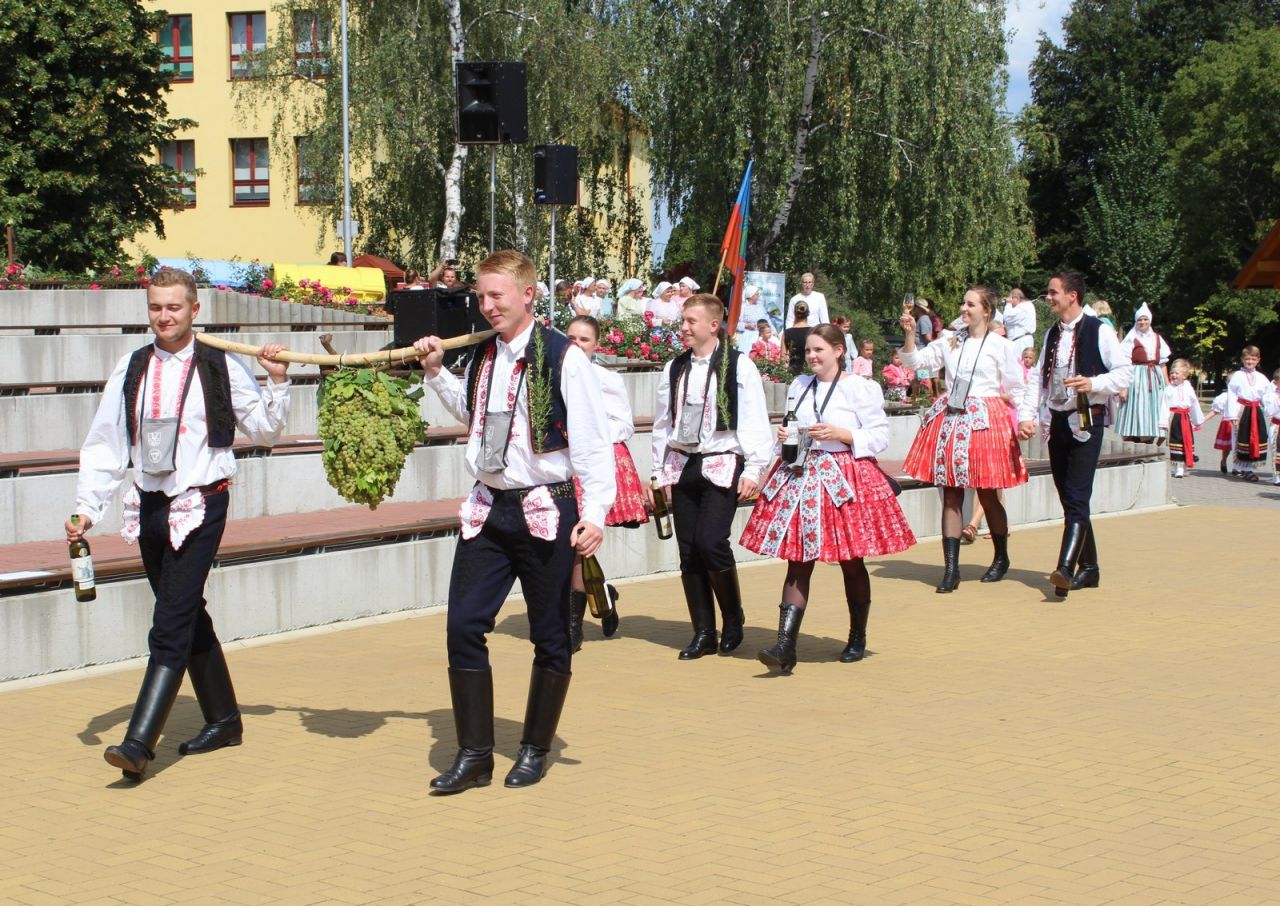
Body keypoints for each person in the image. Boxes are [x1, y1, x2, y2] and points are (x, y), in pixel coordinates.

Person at [67, 267, 292, 781]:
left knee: (169, 621)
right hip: (149, 503)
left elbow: (263, 431)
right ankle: (224, 719)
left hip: (201, 503)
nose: (164, 316)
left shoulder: (220, 363)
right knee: (187, 611)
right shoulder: (132, 366)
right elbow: (105, 443)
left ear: (195, 309)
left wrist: (277, 381)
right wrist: (87, 508)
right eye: (155, 307)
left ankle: (138, 744)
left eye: (173, 307)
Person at [411, 250, 615, 793]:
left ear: (528, 294)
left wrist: (594, 514)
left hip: (546, 506)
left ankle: (534, 749)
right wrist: (436, 373)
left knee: (550, 634)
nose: (487, 305)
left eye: (496, 295)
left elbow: (593, 443)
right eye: (481, 295)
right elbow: (475, 416)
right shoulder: (483, 353)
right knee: (463, 625)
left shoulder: (564, 357)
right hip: (489, 507)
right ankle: (475, 754)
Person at [739, 326, 916, 673]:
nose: (811, 356)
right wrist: (785, 435)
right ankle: (785, 646)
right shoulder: (799, 385)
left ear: (838, 350)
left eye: (818, 350)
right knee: (798, 559)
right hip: (801, 474)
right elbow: (792, 428)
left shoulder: (860, 387)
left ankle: (857, 636)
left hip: (844, 476)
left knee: (851, 560)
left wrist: (842, 433)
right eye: (808, 350)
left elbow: (880, 435)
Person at [648, 294, 772, 660]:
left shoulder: (738, 365)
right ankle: (703, 631)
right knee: (688, 550)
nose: (684, 327)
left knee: (710, 541)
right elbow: (662, 424)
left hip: (722, 461)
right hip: (683, 463)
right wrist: (657, 471)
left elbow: (754, 417)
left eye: (691, 321)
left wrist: (754, 468)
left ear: (713, 325)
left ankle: (732, 617)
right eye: (683, 320)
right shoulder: (675, 367)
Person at [901, 286, 1035, 592]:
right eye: (963, 302)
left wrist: (1024, 419)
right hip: (952, 417)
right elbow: (915, 362)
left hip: (985, 419)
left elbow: (1017, 388)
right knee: (951, 493)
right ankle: (951, 569)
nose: (963, 308)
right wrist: (909, 334)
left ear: (986, 310)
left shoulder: (1002, 345)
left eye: (970, 304)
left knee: (987, 493)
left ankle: (1001, 556)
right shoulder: (951, 339)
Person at [1034, 272, 1132, 598]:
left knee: (1077, 496)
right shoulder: (1052, 333)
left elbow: (1124, 374)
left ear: (1072, 295)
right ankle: (1089, 567)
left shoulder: (1098, 330)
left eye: (1053, 292)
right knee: (1069, 498)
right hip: (1058, 420)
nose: (1049, 298)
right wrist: (1031, 416)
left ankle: (1064, 568)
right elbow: (1039, 379)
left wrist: (1094, 383)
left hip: (1087, 420)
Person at [562, 316, 648, 647]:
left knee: (580, 543)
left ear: (596, 345)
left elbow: (624, 425)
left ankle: (573, 626)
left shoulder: (605, 378)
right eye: (571, 337)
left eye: (584, 339)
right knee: (566, 545)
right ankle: (603, 593)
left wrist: (587, 435)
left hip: (593, 464)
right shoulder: (552, 374)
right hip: (559, 464)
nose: (576, 344)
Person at [1115, 303, 1170, 444]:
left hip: (1155, 378)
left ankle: (1149, 439)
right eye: (1139, 319)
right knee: (1136, 409)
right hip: (1136, 379)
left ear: (1150, 320)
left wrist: (1167, 385)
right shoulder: (1131, 338)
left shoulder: (1157, 338)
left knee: (1154, 409)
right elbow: (1124, 364)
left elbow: (1162, 363)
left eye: (1145, 319)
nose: (1142, 322)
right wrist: (1123, 387)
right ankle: (1135, 439)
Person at [1227, 345, 1276, 482]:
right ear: (1242, 359)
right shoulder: (1237, 376)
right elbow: (1231, 395)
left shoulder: (1261, 377)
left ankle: (1249, 466)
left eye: (1253, 359)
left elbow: (1267, 396)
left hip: (1256, 410)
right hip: (1242, 409)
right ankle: (1243, 468)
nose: (1250, 362)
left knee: (1255, 437)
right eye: (1247, 359)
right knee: (1241, 437)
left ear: (1258, 360)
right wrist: (1232, 414)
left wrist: (1271, 411)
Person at [1159, 359, 1204, 478]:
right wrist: (1163, 422)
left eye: (1176, 373)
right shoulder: (1168, 389)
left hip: (1185, 418)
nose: (1173, 375)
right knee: (1175, 441)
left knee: (1186, 442)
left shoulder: (1188, 388)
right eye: (1172, 373)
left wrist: (1197, 420)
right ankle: (1177, 467)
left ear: (1184, 375)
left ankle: (1182, 467)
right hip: (1174, 418)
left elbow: (1194, 403)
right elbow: (1164, 405)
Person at [910, 299, 936, 396]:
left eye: (915, 306)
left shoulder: (923, 319)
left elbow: (927, 338)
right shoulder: (923, 319)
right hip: (921, 351)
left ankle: (927, 397)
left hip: (922, 352)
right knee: (919, 377)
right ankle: (915, 397)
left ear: (918, 308)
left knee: (924, 376)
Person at [735, 284, 769, 354]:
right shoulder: (743, 307)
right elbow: (736, 324)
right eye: (757, 294)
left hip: (762, 336)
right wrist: (746, 325)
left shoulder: (760, 306)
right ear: (751, 296)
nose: (758, 296)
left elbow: (768, 320)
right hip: (747, 337)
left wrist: (774, 333)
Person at [1002, 288, 1036, 355]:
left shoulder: (1023, 307)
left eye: (1011, 298)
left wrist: (1008, 304)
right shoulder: (1027, 306)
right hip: (1021, 340)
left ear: (1016, 298)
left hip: (1020, 341)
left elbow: (1008, 317)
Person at [784, 301, 813, 377]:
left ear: (794, 313)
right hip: (810, 372)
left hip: (793, 374)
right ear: (808, 313)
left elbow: (782, 358)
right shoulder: (814, 332)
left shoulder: (787, 333)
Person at [1210, 389, 1235, 474]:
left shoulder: (1244, 394)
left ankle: (1237, 466)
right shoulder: (1225, 396)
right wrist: (1202, 420)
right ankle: (1224, 460)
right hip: (1228, 422)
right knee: (1227, 446)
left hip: (1242, 420)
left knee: (1240, 445)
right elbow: (1215, 410)